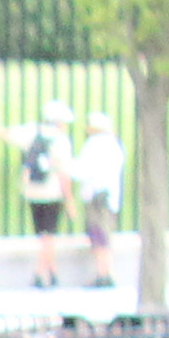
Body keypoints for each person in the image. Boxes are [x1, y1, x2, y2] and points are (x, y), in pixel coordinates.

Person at [13, 108, 72, 286]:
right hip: (52, 192)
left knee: (43, 235)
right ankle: (40, 273)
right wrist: (69, 200)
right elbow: (64, 173)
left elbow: (9, 134)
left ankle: (52, 272)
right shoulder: (61, 140)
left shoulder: (32, 132)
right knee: (49, 236)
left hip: (33, 191)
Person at [70, 108, 125, 288]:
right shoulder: (115, 145)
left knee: (98, 236)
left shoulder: (93, 145)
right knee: (106, 235)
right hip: (110, 198)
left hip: (96, 197)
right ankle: (107, 271)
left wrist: (63, 165)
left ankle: (103, 273)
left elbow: (81, 171)